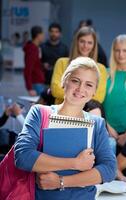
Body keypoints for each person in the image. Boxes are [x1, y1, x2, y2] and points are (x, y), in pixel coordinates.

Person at [14, 57, 116, 199]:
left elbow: (109, 170)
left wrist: (61, 182)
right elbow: (23, 156)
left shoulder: (97, 124)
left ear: (94, 92)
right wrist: (75, 163)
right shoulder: (39, 113)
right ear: (64, 81)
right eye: (75, 81)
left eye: (88, 85)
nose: (80, 89)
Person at [51, 26, 107, 104]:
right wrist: (83, 95)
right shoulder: (61, 63)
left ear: (94, 46)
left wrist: (71, 93)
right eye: (82, 41)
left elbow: (99, 97)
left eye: (89, 43)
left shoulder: (101, 69)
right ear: (76, 42)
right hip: (60, 111)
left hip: (85, 113)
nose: (85, 46)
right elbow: (56, 90)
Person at [23, 26, 45, 96]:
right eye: (42, 34)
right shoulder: (32, 49)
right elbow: (28, 69)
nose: (43, 36)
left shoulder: (35, 48)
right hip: (36, 84)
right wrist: (30, 88)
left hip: (38, 82)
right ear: (38, 35)